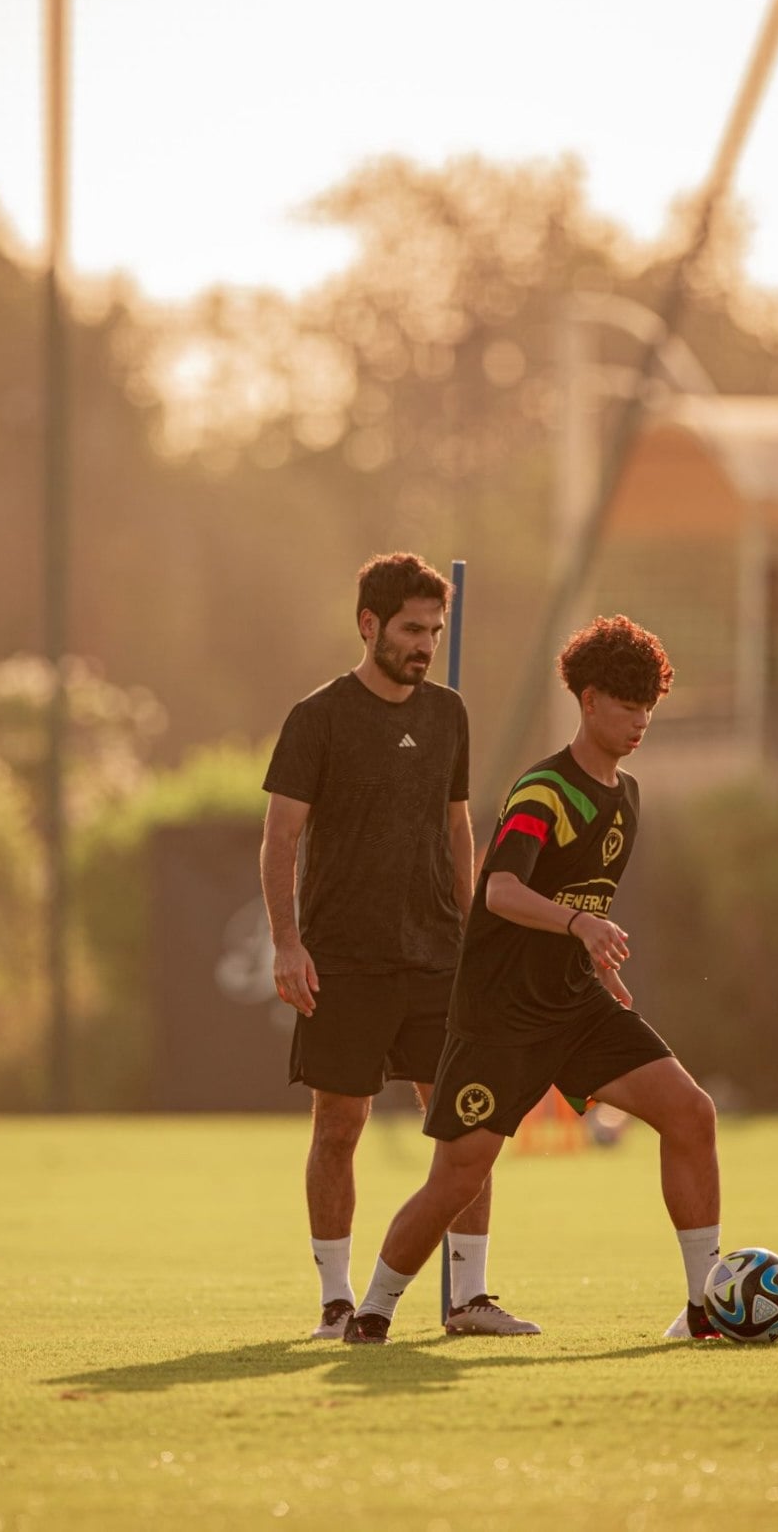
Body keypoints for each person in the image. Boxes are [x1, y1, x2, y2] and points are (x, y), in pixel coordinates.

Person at [343, 613, 722, 1344]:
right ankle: (374, 1311)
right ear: (589, 700)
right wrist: (580, 925)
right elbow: (501, 891)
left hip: (576, 1007)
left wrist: (591, 954)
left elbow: (579, 901)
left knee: (691, 1113)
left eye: (649, 707)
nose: (641, 721)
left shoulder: (627, 794)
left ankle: (707, 1306)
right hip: (500, 1015)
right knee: (459, 1176)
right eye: (627, 705)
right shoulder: (545, 790)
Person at [260, 552, 540, 1340]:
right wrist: (287, 941)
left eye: (435, 630)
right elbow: (281, 837)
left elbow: (458, 826)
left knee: (469, 1124)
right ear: (368, 624)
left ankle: (468, 1298)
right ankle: (335, 1300)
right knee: (338, 1127)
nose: (425, 644)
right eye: (412, 629)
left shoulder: (449, 713)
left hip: (438, 957)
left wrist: (477, 934)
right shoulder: (317, 717)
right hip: (343, 959)